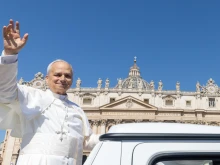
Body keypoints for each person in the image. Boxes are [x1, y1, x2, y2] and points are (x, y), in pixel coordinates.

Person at [0, 19, 99, 165]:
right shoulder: (31, 95)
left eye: (67, 75)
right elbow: (5, 90)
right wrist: (10, 54)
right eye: (58, 75)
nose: (63, 79)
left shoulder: (77, 110)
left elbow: (87, 141)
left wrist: (118, 134)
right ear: (47, 78)